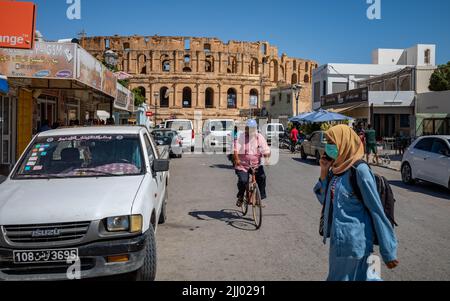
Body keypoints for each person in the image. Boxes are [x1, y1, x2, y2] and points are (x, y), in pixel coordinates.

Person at [313, 125, 398, 281]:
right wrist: (324, 171)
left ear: (344, 142)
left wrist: (388, 251)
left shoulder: (360, 171)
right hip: (338, 241)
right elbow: (324, 201)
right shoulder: (336, 169)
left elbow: (376, 210)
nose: (329, 147)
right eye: (328, 142)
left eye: (332, 142)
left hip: (353, 243)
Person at [233, 119, 271, 207]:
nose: (251, 131)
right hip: (243, 165)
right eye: (249, 128)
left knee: (262, 177)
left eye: (252, 128)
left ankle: (259, 198)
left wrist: (266, 156)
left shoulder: (259, 137)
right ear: (246, 129)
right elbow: (236, 150)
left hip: (255, 164)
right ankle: (241, 196)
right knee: (243, 180)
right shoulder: (241, 137)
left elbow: (265, 149)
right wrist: (237, 159)